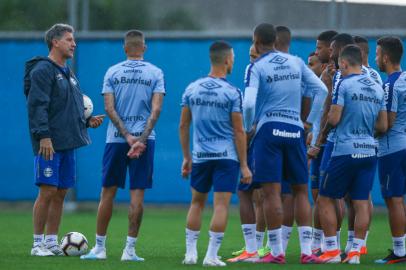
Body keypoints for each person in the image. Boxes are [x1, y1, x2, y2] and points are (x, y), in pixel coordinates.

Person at [243, 23, 326, 264]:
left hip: (269, 129)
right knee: (301, 191)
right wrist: (308, 123)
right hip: (295, 129)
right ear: (276, 40)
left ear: (257, 42)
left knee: (271, 193)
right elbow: (320, 90)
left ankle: (277, 252)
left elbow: (248, 104)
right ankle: (307, 252)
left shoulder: (256, 66)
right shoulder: (297, 62)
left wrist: (250, 127)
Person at [80, 30, 165, 261]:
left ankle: (99, 248)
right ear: (144, 48)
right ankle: (130, 251)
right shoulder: (156, 72)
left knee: (107, 193)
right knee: (137, 196)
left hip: (116, 140)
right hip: (145, 141)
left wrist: (127, 136)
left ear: (125, 48)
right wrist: (141, 138)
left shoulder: (113, 71)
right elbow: (156, 109)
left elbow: (108, 108)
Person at [25, 23, 104, 256]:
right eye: (69, 39)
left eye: (74, 39)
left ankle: (51, 241)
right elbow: (37, 107)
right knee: (47, 191)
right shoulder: (42, 70)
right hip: (49, 143)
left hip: (68, 141)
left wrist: (86, 122)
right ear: (55, 42)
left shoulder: (69, 73)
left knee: (61, 192)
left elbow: (68, 109)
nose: (74, 44)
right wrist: (44, 137)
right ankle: (37, 244)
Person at [180, 41, 252, 267]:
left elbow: (183, 125)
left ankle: (190, 255)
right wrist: (244, 165)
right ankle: (211, 256)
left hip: (200, 156)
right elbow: (239, 130)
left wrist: (186, 157)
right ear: (227, 60)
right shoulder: (232, 93)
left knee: (196, 203)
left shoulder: (192, 88)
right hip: (226, 157)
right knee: (220, 206)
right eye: (233, 58)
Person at [318, 45, 387, 264]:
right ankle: (355, 252)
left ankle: (331, 251)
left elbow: (335, 118)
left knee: (325, 198)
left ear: (345, 63)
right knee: (360, 201)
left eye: (340, 65)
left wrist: (327, 124)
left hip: (345, 149)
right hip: (369, 150)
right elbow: (383, 125)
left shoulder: (344, 84)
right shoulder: (378, 87)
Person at [343, 35, 383, 256]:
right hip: (367, 144)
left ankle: (360, 242)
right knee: (353, 196)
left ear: (362, 52)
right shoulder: (372, 76)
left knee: (360, 196)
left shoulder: (370, 76)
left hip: (359, 142)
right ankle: (353, 243)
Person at [374, 37, 406, 264]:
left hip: (392, 148)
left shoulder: (390, 85)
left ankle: (399, 252)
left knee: (393, 199)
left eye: (376, 55)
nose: (376, 59)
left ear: (385, 57)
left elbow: (387, 124)